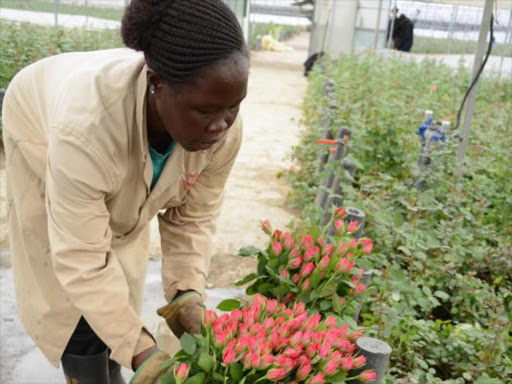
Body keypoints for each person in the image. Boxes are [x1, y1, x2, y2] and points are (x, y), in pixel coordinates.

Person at [2, 0, 249, 382]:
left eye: (233, 106)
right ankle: (87, 370)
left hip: (95, 121)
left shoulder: (221, 123)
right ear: (157, 84)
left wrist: (186, 292)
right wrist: (144, 353)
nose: (221, 124)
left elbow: (193, 218)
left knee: (122, 256)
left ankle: (116, 357)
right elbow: (81, 258)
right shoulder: (85, 128)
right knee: (69, 278)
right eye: (206, 111)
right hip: (38, 118)